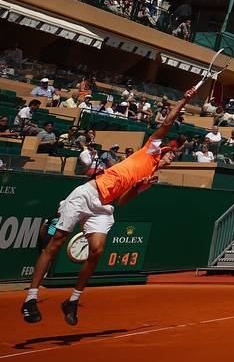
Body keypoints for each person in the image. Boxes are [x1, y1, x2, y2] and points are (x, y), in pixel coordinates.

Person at [22, 82, 198, 325]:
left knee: (96, 251)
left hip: (104, 206)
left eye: (173, 155)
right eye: (168, 151)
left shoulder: (151, 176)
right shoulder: (149, 151)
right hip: (87, 193)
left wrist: (140, 188)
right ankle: (31, 299)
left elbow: (123, 201)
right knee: (56, 243)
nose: (171, 155)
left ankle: (72, 300)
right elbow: (166, 123)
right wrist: (185, 100)